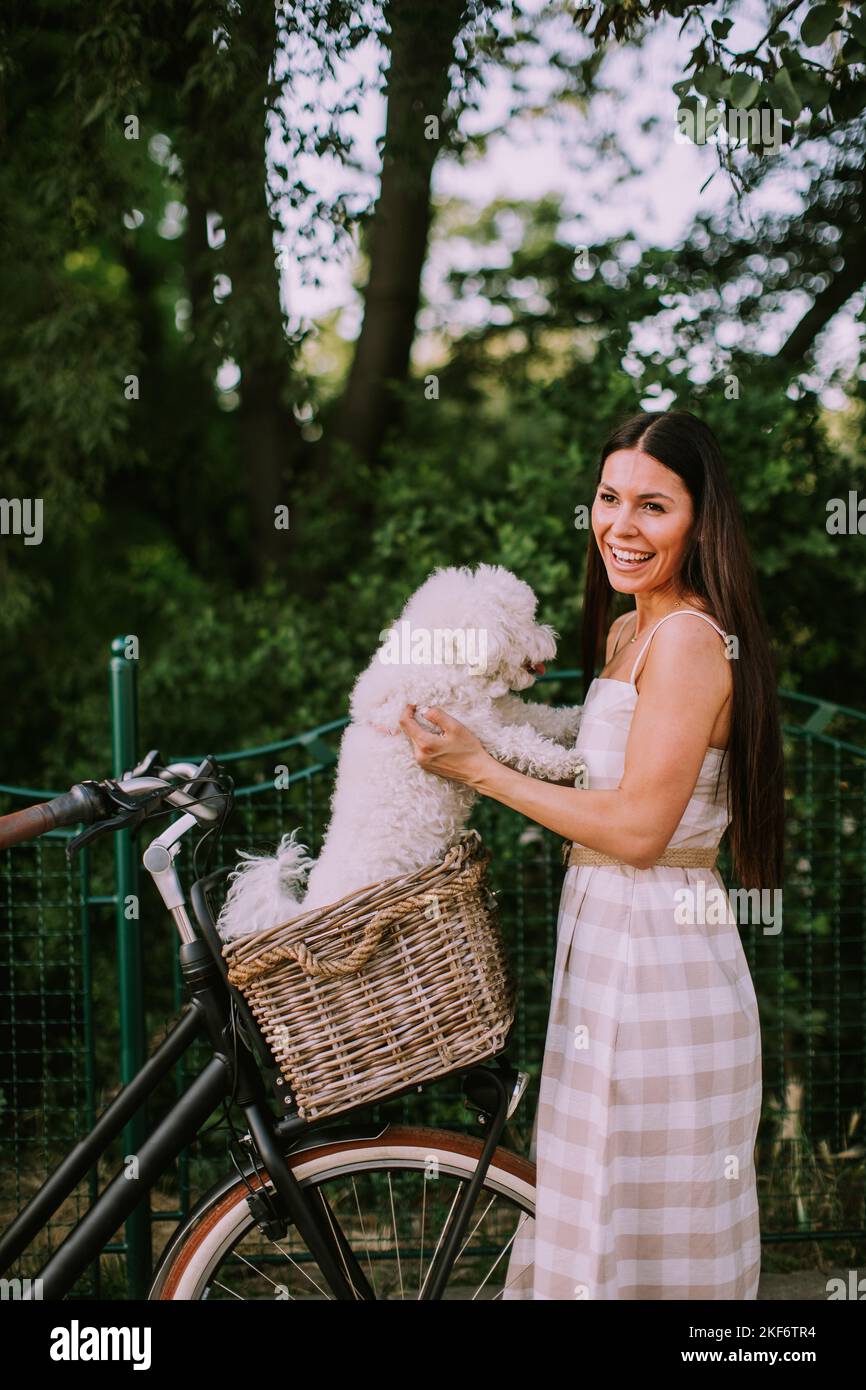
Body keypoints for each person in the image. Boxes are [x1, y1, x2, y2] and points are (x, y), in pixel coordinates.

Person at [398, 409, 784, 1300]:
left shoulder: (690, 641)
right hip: (606, 946)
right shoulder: (625, 633)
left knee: (643, 1221)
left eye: (654, 506)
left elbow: (643, 830)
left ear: (702, 520)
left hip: (659, 962)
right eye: (610, 499)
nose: (621, 525)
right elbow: (591, 769)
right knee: (594, 1204)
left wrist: (480, 768)